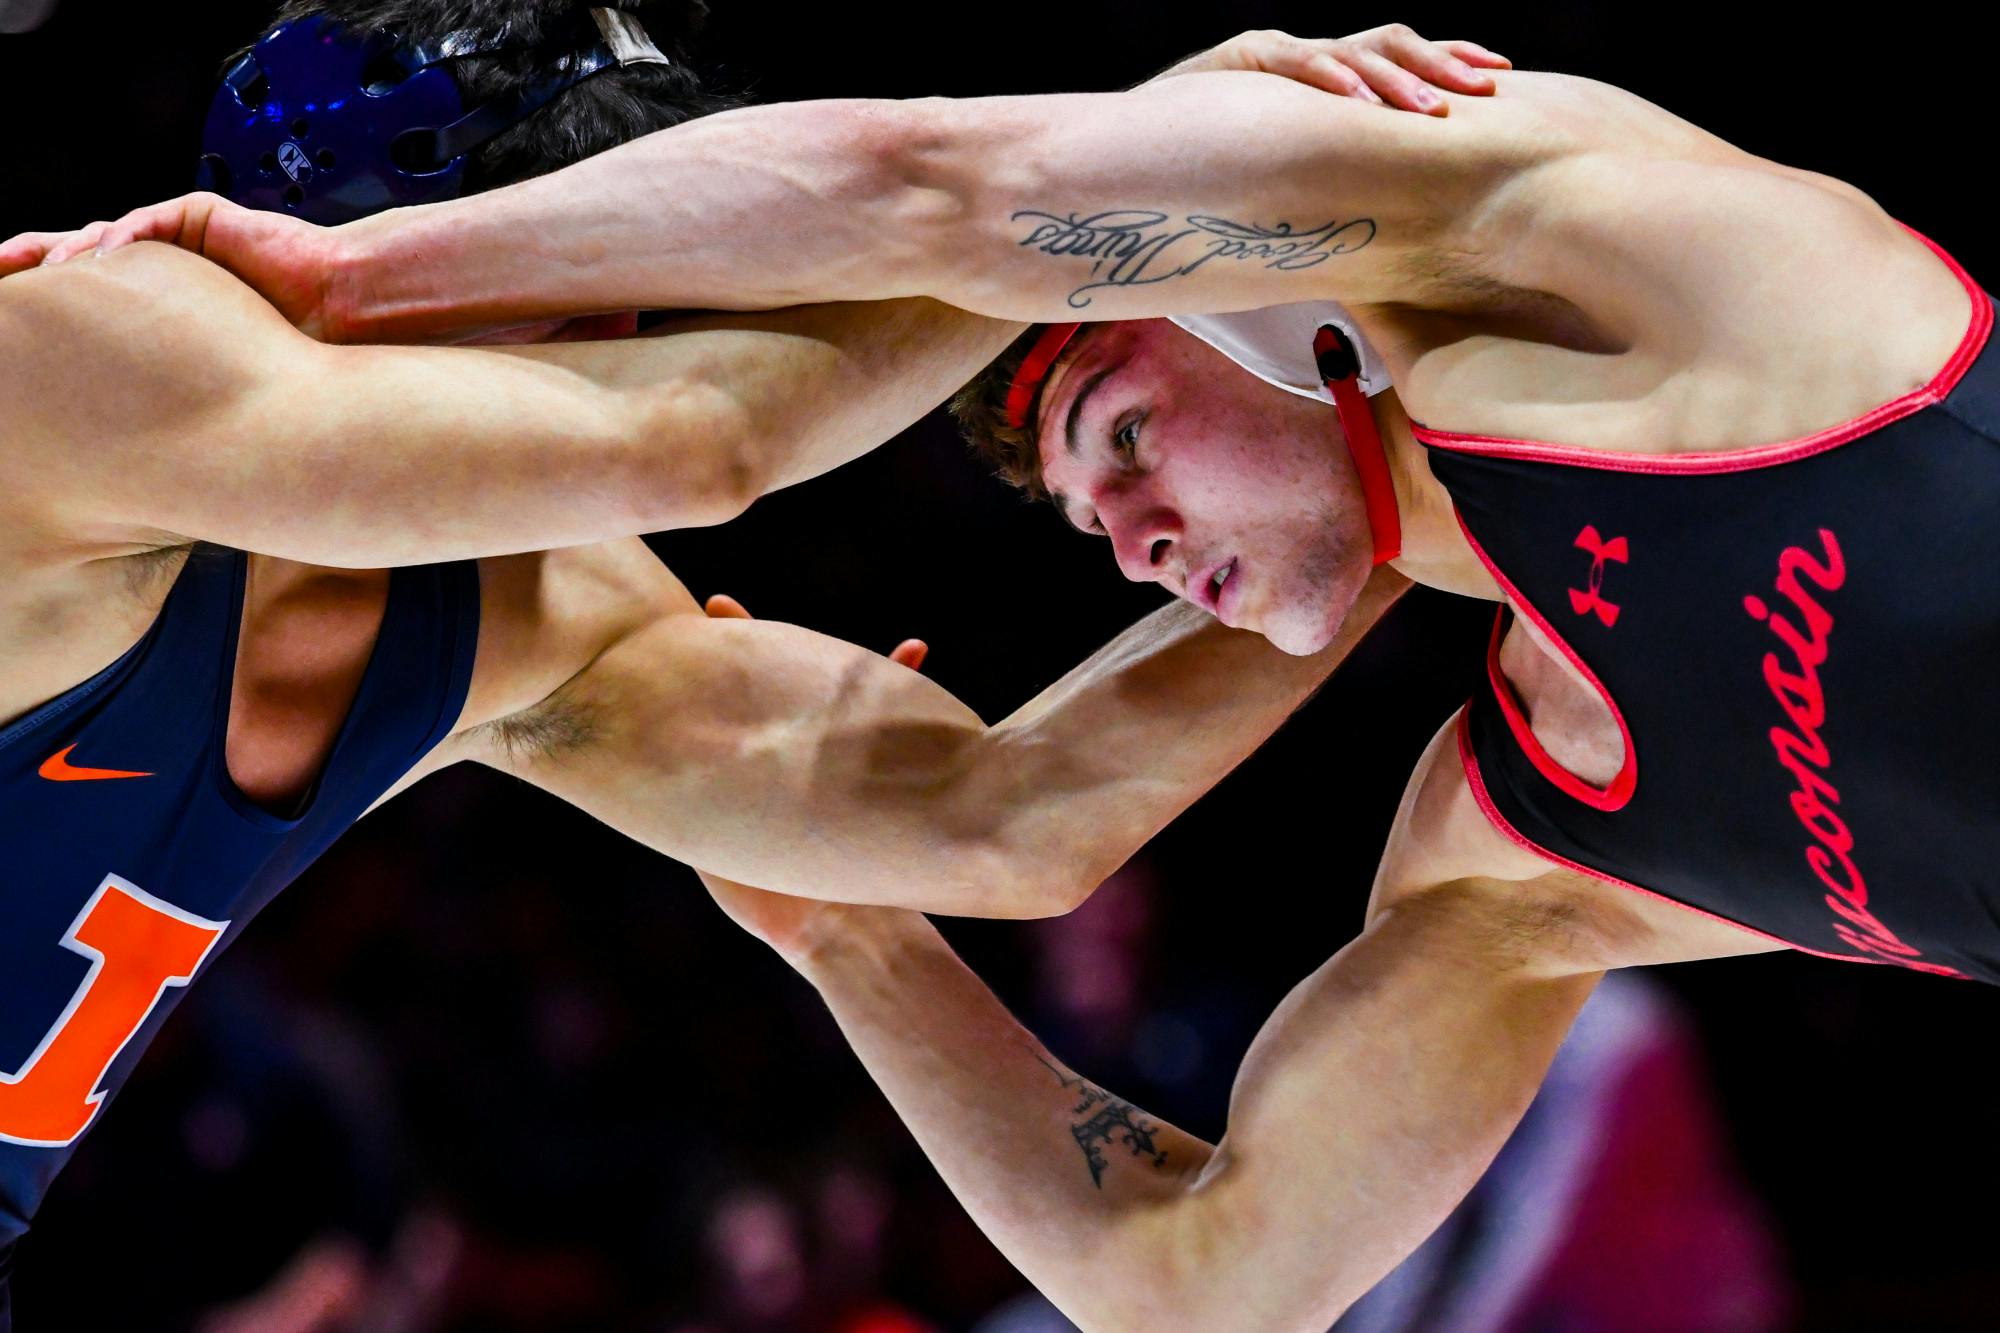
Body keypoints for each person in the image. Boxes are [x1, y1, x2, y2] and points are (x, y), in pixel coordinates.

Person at [138, 27, 2000, 1329]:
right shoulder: (1532, 840)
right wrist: (852, 944)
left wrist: (355, 281)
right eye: (1086, 506)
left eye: (1119, 433)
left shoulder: (1638, 262)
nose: (1120, 532)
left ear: (1260, 294)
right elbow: (1198, 1287)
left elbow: (936, 180)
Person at [0, 9, 1478, 1322]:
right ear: (401, 254)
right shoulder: (75, 354)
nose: (643, 336)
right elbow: (701, 439)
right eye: (612, 287)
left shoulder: (522, 612)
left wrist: (1409, 496)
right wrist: (1151, 168)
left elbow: (1008, 818)